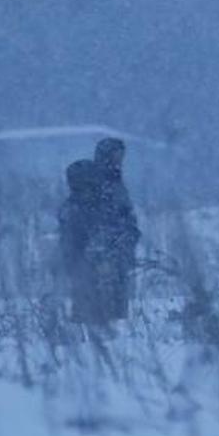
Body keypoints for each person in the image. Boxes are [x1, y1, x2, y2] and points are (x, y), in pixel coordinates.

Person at [56, 138, 141, 324]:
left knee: (107, 299)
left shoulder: (113, 180)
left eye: (121, 155)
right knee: (97, 298)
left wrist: (129, 232)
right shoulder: (100, 182)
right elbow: (107, 215)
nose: (120, 159)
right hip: (100, 252)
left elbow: (123, 213)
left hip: (110, 250)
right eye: (116, 155)